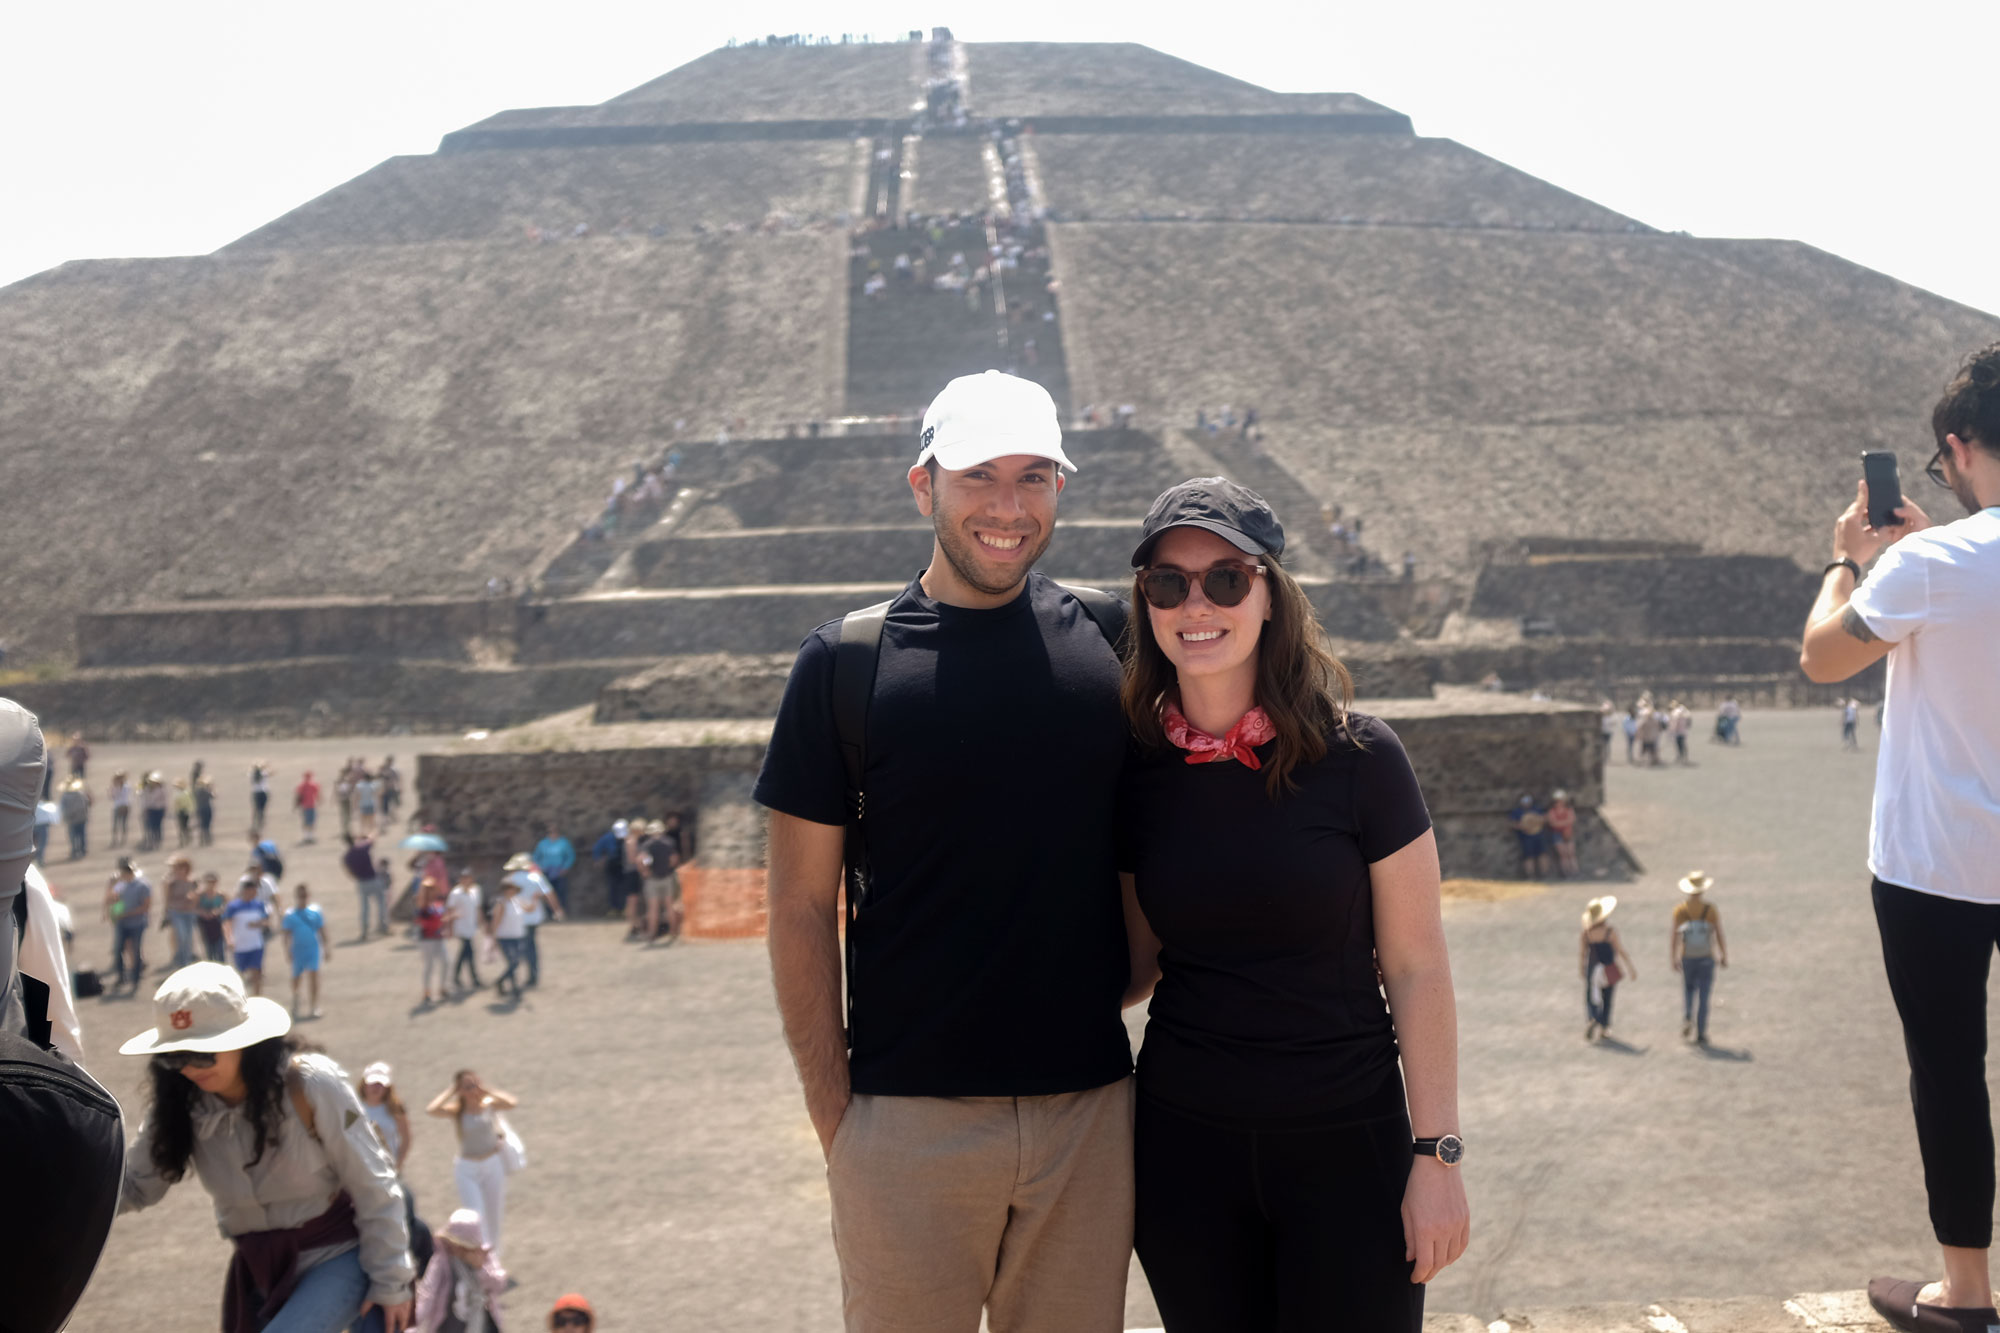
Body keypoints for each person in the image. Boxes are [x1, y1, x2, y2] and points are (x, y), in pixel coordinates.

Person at [759, 371, 1139, 1330]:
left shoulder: (1117, 642)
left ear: (1061, 487)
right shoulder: (844, 665)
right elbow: (800, 907)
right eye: (979, 476)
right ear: (924, 485)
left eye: (1034, 477)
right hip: (904, 1124)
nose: (1008, 507)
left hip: (1087, 1118)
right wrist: (840, 1119)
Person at [1116, 479, 1469, 1328]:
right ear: (1147, 604)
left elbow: (1417, 966)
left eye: (1226, 579)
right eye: (1169, 583)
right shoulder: (1135, 770)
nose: (1196, 604)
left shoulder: (1361, 758)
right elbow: (1133, 967)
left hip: (1348, 1145)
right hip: (1184, 1151)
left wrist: (1438, 1156)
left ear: (1270, 593)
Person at [1799, 343, 2000, 1329]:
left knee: (1949, 1067)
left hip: (1934, 866)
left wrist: (1850, 559)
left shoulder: (1929, 562)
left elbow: (1821, 656)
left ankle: (1964, 1289)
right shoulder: (1937, 558)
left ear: (1957, 447)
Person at [116, 963, 414, 1332]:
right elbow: (132, 1187)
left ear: (244, 1040)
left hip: (337, 1255)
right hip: (258, 1267)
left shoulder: (310, 1084)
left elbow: (375, 1182)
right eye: (175, 1057)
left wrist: (392, 1281)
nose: (190, 1069)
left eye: (204, 1053)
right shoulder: (178, 1105)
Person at [427, 1070, 517, 1262]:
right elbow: (432, 1109)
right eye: (467, 1087)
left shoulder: (489, 1105)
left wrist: (487, 1090)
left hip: (493, 1164)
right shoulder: (458, 1111)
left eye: (474, 1084)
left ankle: (494, 1258)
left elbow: (511, 1102)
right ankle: (482, 1258)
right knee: (475, 1215)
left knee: (494, 1214)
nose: (473, 1090)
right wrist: (451, 1091)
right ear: (460, 1090)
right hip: (467, 1168)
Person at [413, 1209, 508, 1333]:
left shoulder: (485, 1257)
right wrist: (412, 1325)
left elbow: (498, 1284)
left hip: (482, 1325)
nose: (454, 1248)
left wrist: (480, 1269)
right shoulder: (442, 1261)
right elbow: (428, 1292)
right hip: (451, 1326)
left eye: (459, 1245)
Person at [1670, 871, 1729, 1044]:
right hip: (1706, 956)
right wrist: (1723, 954)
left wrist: (1673, 957)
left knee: (1688, 989)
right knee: (1704, 994)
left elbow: (1674, 936)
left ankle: (1688, 1015)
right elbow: (1719, 933)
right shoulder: (1709, 909)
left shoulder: (1680, 910)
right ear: (1702, 890)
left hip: (1687, 955)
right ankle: (1701, 1032)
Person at [1580, 896, 1638, 1041]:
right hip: (1608, 968)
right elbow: (1620, 950)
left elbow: (1582, 954)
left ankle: (1593, 1017)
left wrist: (1581, 969)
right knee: (1608, 998)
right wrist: (1630, 967)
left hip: (1593, 969)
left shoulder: (1586, 933)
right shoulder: (1610, 931)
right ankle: (1604, 1027)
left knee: (1591, 997)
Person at [502, 855, 563, 987]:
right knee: (531, 947)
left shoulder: (509, 880)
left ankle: (514, 976)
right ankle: (533, 975)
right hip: (534, 917)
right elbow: (550, 895)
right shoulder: (536, 877)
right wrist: (557, 911)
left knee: (518, 947)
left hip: (516, 918)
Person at [280, 883, 333, 1019]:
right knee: (297, 977)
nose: (303, 898)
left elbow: (322, 930)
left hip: (313, 948)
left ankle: (314, 1005)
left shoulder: (315, 912)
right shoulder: (290, 915)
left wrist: (326, 948)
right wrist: (287, 951)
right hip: (298, 950)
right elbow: (285, 935)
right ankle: (296, 998)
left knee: (314, 976)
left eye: (304, 895)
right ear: (296, 897)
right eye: (300, 896)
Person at [105, 856, 153, 994]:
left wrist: (126, 914)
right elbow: (114, 899)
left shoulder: (143, 885)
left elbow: (145, 906)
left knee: (136, 950)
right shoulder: (121, 884)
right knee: (118, 949)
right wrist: (113, 912)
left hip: (137, 923)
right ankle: (121, 976)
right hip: (122, 923)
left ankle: (135, 978)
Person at [224, 874, 273, 996]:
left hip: (256, 944)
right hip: (240, 945)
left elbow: (266, 921)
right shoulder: (234, 906)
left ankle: (257, 997)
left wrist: (258, 924)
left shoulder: (259, 905)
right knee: (241, 973)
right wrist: (229, 939)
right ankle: (242, 997)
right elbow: (227, 923)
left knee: (256, 972)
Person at [639, 817, 681, 946]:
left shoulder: (647, 845)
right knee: (669, 906)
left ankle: (652, 935)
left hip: (653, 879)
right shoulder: (669, 842)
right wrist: (668, 868)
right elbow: (674, 859)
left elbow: (644, 859)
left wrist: (646, 871)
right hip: (667, 877)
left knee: (653, 909)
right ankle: (673, 932)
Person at [345, 833, 392, 941]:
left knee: (365, 908)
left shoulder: (347, 856)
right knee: (381, 903)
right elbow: (372, 839)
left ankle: (364, 931)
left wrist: (357, 877)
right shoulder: (362, 849)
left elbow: (349, 872)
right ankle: (383, 926)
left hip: (361, 881)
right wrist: (370, 834)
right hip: (373, 879)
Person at [489, 879, 528, 999]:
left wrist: (536, 899)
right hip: (505, 937)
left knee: (515, 962)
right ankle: (515, 988)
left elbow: (529, 909)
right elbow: (495, 922)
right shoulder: (501, 903)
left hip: (518, 936)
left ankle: (502, 982)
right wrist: (493, 938)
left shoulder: (517, 901)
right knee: (513, 962)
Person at [447, 870, 485, 991]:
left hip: (471, 926)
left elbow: (478, 908)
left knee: (465, 953)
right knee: (469, 952)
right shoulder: (455, 893)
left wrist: (482, 922)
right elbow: (450, 910)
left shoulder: (475, 891)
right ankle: (474, 978)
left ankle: (456, 976)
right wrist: (451, 928)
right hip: (461, 926)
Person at [161, 853, 201, 969]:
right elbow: (167, 898)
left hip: (189, 912)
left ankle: (187, 959)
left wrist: (192, 899)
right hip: (176, 911)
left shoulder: (192, 880)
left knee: (188, 936)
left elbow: (197, 895)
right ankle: (181, 959)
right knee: (181, 935)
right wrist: (167, 912)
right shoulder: (170, 881)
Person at [416, 880, 451, 1006]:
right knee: (429, 966)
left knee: (446, 962)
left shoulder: (438, 904)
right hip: (427, 939)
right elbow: (424, 921)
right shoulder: (423, 905)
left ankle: (442, 987)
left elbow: (441, 918)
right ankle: (427, 991)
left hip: (438, 938)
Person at [588, 820, 630, 920]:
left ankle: (625, 909)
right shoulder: (607, 838)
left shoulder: (629, 837)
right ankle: (615, 908)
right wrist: (597, 859)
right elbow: (597, 848)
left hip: (626, 865)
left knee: (626, 888)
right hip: (613, 865)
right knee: (613, 887)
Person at [532, 824, 575, 916]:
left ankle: (560, 913)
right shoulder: (542, 844)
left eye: (554, 831)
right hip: (545, 872)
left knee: (560, 892)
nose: (552, 834)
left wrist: (565, 867)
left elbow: (570, 856)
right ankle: (549, 913)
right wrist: (539, 868)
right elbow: (536, 857)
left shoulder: (564, 843)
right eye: (549, 832)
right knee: (546, 893)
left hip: (559, 872)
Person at [1509, 794, 1549, 880]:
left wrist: (1537, 821)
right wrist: (1523, 826)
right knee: (1528, 856)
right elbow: (1512, 824)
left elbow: (1545, 819)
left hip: (1539, 835)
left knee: (1542, 854)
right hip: (1526, 837)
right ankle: (1530, 875)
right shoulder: (1517, 811)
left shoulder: (1536, 809)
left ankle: (1544, 874)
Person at [196, 870, 230, 963]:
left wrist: (218, 911)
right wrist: (203, 913)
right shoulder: (200, 895)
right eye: (208, 882)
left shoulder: (221, 894)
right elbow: (194, 907)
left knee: (220, 947)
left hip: (217, 922)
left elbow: (227, 906)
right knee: (208, 947)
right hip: (205, 923)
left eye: (212, 882)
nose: (210, 884)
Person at [1546, 789, 1579, 879]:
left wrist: (1560, 823)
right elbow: (1553, 823)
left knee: (1571, 853)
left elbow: (1571, 819)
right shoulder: (1552, 811)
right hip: (1557, 834)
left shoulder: (1568, 809)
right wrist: (1565, 823)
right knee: (1563, 854)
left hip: (1568, 833)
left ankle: (1574, 872)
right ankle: (1566, 872)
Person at [59, 776, 90, 859]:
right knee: (81, 834)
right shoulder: (80, 793)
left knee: (73, 836)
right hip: (81, 817)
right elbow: (86, 804)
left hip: (72, 818)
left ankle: (75, 851)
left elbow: (62, 808)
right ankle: (82, 850)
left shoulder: (65, 796)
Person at [295, 771, 321, 844]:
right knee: (311, 821)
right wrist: (319, 802)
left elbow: (298, 796)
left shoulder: (301, 785)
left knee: (306, 821)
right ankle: (310, 836)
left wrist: (296, 805)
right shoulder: (314, 785)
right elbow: (317, 795)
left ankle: (306, 836)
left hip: (304, 805)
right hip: (312, 805)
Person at [108, 770, 132, 848]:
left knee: (123, 824)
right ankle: (114, 838)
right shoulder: (114, 787)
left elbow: (127, 796)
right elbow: (112, 797)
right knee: (115, 824)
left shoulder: (127, 786)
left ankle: (123, 838)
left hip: (124, 806)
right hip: (117, 806)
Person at [249, 760, 271, 833]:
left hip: (255, 792)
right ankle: (260, 821)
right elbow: (271, 773)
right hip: (263, 792)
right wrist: (266, 766)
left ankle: (255, 822)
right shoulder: (263, 773)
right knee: (262, 809)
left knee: (257, 808)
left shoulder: (252, 774)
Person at [194, 774, 217, 845]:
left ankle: (202, 840)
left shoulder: (197, 791)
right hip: (206, 809)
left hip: (200, 809)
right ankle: (206, 839)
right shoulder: (204, 791)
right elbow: (213, 796)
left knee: (202, 825)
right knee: (206, 825)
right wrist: (210, 788)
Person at [173, 777, 194, 848]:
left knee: (183, 826)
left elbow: (189, 803)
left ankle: (185, 839)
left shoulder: (185, 793)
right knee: (182, 827)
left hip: (184, 811)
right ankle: (183, 840)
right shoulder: (179, 793)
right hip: (181, 811)